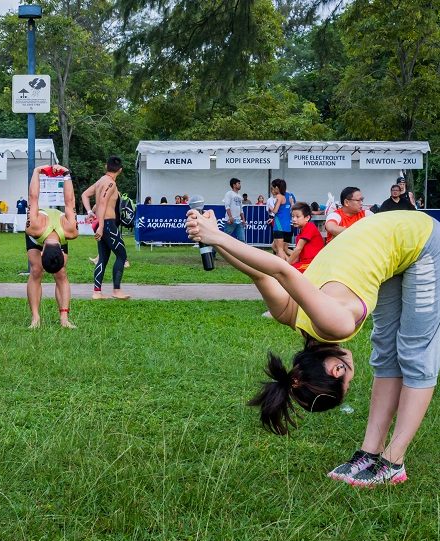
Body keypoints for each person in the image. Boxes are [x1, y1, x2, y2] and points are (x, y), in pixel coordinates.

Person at [186, 208, 440, 487]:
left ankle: (393, 463)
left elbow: (279, 270)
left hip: (420, 239)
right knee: (387, 356)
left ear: (335, 369)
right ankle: (369, 453)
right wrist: (215, 240)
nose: (352, 378)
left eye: (348, 382)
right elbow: (260, 276)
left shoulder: (333, 325)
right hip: (392, 244)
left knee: (416, 355)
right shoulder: (290, 314)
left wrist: (218, 236)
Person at [26, 164, 78, 328]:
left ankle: (64, 318)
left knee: (61, 274)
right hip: (37, 236)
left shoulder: (71, 231)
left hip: (58, 234)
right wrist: (39, 172)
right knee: (36, 272)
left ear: (63, 254)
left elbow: (69, 202)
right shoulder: (33, 227)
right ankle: (35, 317)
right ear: (41, 255)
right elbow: (33, 198)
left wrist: (67, 174)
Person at [92, 156, 130, 300]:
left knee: (103, 258)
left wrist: (91, 212)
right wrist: (101, 226)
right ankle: (116, 290)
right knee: (122, 255)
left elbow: (96, 201)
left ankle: (97, 292)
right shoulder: (111, 183)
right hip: (107, 224)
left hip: (103, 223)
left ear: (105, 166)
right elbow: (102, 203)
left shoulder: (101, 181)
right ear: (120, 170)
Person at [286, 202, 324, 272]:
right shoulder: (299, 236)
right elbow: (297, 257)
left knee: (287, 272)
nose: (294, 219)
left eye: (297, 216)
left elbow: (298, 249)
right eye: (292, 216)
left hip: (313, 263)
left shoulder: (309, 226)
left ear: (307, 218)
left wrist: (285, 265)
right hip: (305, 263)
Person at [270, 178, 295, 258]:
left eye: (273, 188)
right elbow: (292, 208)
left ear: (277, 188)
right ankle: (295, 260)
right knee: (280, 248)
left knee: (280, 250)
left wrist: (271, 209)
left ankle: (286, 265)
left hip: (279, 225)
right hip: (288, 226)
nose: (272, 190)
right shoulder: (289, 195)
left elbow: (275, 211)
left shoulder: (279, 196)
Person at [223, 178, 246, 242]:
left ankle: (242, 252)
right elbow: (227, 206)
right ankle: (212, 252)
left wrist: (243, 219)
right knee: (224, 239)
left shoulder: (239, 196)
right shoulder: (229, 193)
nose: (240, 185)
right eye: (238, 183)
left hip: (239, 221)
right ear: (234, 185)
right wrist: (230, 217)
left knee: (242, 240)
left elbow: (241, 209)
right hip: (231, 220)